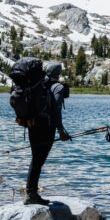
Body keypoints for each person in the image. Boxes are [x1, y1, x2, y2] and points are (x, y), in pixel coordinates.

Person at [24, 61, 71, 205]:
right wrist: (61, 131)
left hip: (33, 126)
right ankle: (31, 194)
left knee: (36, 159)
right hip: (46, 128)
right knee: (39, 160)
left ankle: (31, 192)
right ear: (58, 74)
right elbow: (55, 110)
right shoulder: (58, 87)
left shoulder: (38, 85)